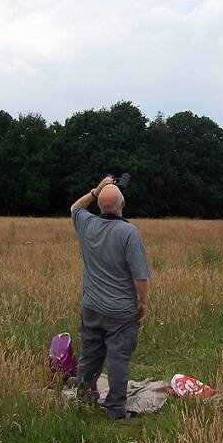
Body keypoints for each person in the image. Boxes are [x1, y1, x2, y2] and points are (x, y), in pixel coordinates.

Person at [70, 176, 150, 419]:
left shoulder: (87, 224)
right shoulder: (129, 232)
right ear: (123, 205)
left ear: (99, 205)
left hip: (91, 307)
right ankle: (115, 408)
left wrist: (97, 189)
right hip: (121, 312)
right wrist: (143, 302)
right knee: (118, 358)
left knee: (89, 354)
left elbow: (75, 208)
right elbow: (140, 276)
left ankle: (85, 397)